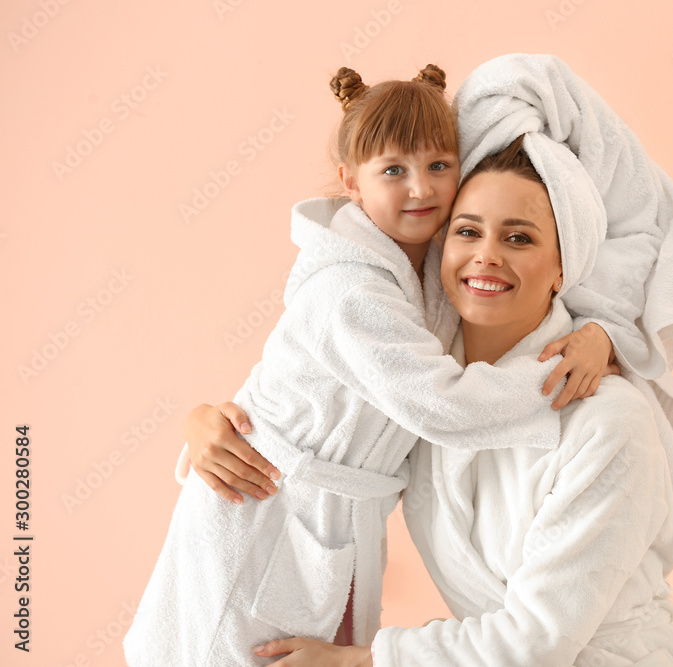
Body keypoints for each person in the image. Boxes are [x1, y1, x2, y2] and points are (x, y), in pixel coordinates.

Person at [122, 65, 618, 667]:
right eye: (393, 171)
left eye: (439, 165)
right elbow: (441, 403)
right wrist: (560, 374)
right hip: (265, 504)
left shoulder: (434, 261)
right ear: (349, 181)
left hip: (338, 516)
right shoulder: (347, 290)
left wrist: (600, 334)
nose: (421, 189)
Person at [246, 135, 673, 665]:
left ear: (563, 271)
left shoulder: (608, 420)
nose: (487, 255)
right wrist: (216, 427)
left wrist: (356, 661)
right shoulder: (427, 398)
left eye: (519, 238)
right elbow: (316, 433)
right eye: (467, 231)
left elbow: (538, 638)